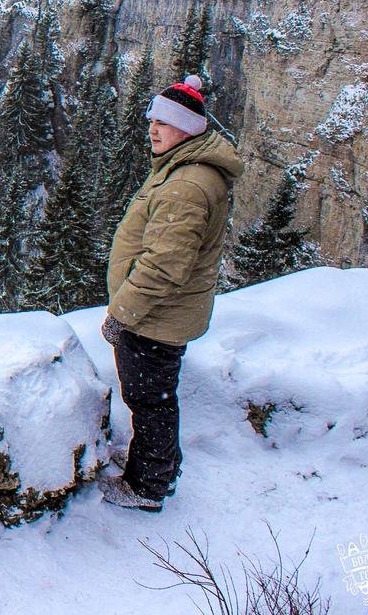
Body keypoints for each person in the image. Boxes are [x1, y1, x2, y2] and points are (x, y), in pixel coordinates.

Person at [100, 74, 243, 512]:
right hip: (162, 314)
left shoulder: (187, 185)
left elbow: (164, 266)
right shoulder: (184, 170)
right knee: (154, 395)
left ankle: (148, 485)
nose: (153, 129)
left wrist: (121, 313)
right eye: (152, 120)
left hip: (154, 317)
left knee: (149, 398)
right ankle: (159, 462)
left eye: (165, 122)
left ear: (190, 128)